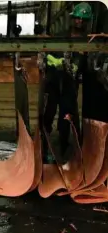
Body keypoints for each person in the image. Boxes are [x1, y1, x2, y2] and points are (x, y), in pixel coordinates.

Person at [42, 2, 92, 162]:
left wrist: (75, 66)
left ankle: (63, 152)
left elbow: (82, 65)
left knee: (65, 120)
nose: (80, 22)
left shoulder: (87, 43)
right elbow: (47, 54)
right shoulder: (60, 36)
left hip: (70, 86)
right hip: (53, 83)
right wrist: (56, 62)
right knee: (47, 116)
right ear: (73, 19)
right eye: (78, 18)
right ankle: (43, 151)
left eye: (83, 20)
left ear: (87, 22)